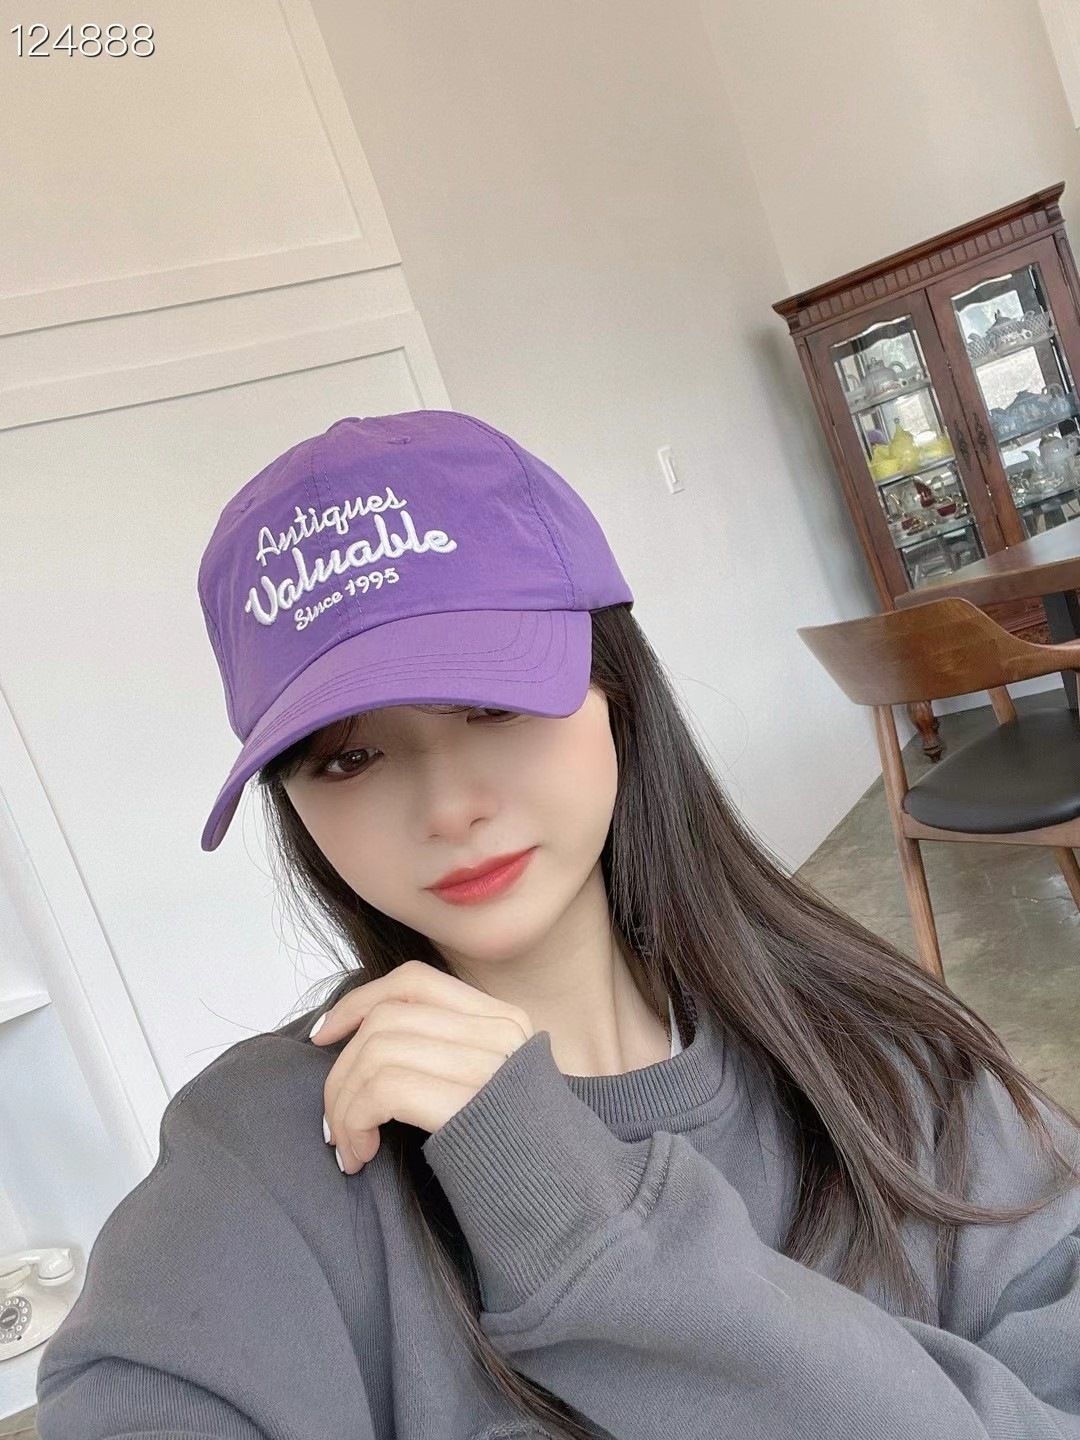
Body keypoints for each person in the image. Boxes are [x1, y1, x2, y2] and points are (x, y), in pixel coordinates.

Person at [34, 410, 1080, 1440]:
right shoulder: (266, 1151)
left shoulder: (897, 1065)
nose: (449, 808)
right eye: (348, 758)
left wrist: (581, 1225)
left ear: (615, 685)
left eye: (490, 705)